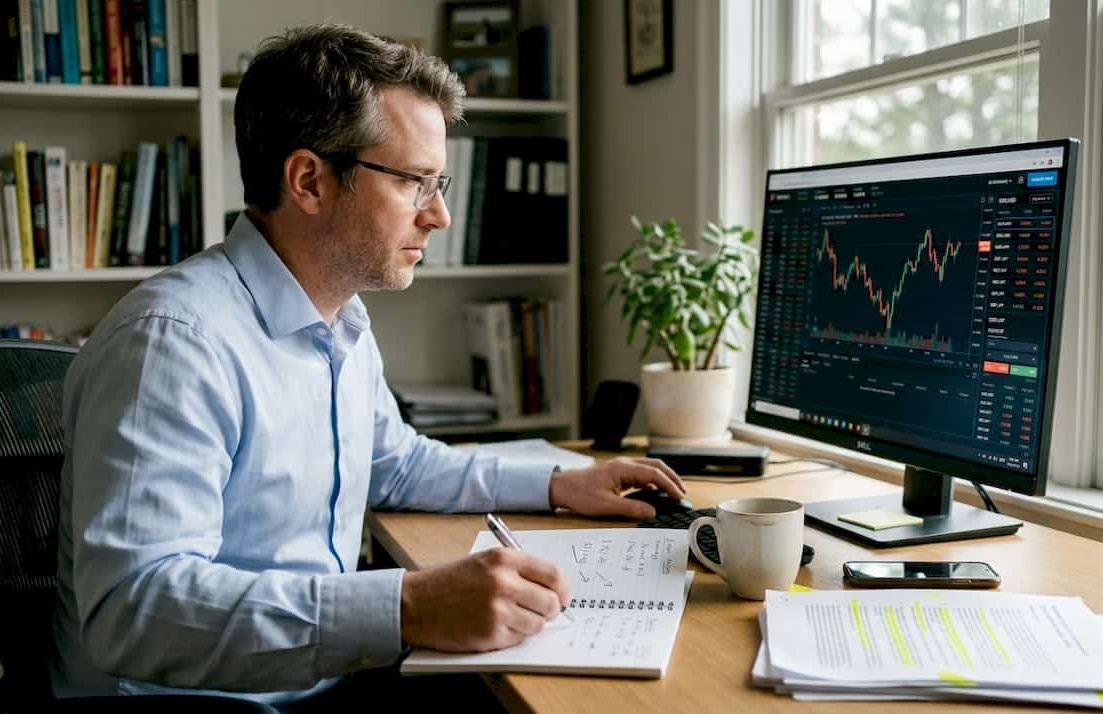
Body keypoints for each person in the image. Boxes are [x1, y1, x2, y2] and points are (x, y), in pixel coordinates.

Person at [50, 24, 684, 709]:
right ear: (309, 181)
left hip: (311, 681)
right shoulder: (173, 345)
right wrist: (406, 606)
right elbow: (133, 612)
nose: (438, 215)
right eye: (415, 182)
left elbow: (397, 463)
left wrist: (563, 484)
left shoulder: (340, 317)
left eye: (437, 183)